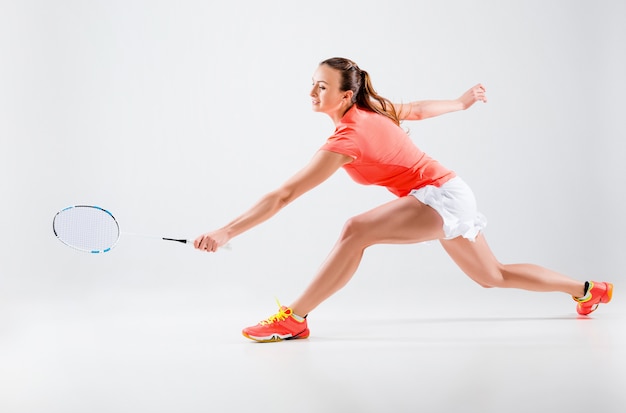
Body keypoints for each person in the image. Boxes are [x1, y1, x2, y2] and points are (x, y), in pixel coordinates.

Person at [194, 57, 613, 342]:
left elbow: (285, 194)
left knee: (356, 229)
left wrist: (226, 230)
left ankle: (294, 318)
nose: (312, 92)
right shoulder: (370, 110)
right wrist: (461, 103)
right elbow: (414, 109)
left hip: (440, 196)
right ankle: (589, 290)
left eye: (322, 87)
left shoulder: (351, 135)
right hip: (444, 193)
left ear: (344, 96)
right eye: (312, 84)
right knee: (493, 276)